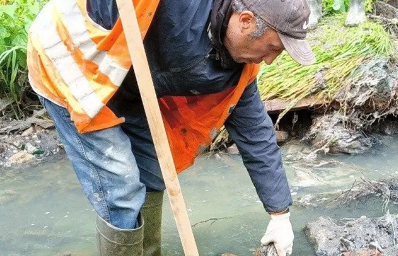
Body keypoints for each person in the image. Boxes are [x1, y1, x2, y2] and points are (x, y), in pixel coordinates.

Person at [26, 0, 315, 254]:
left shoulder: (238, 67)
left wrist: (280, 216)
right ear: (245, 21)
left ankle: (149, 253)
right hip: (73, 64)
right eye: (272, 48)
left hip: (129, 84)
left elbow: (257, 136)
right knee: (121, 184)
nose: (270, 60)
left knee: (154, 168)